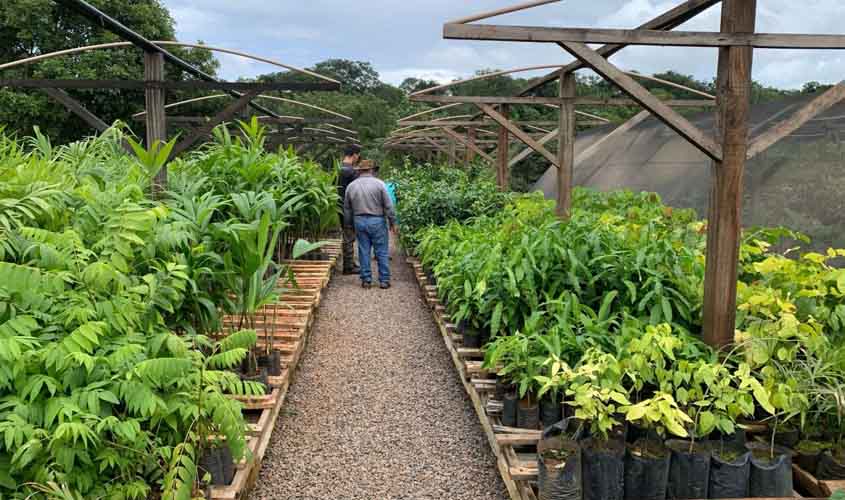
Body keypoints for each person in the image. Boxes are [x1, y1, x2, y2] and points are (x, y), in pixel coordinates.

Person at [343, 160, 396, 289]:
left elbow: (347, 209)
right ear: (371, 170)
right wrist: (393, 222)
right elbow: (388, 205)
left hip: (359, 221)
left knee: (364, 250)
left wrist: (348, 225)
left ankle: (366, 280)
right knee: (382, 251)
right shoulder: (380, 184)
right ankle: (384, 280)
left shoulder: (351, 186)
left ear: (359, 171)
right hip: (377, 220)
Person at [338, 145, 361, 275]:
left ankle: (350, 263)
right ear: (354, 155)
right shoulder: (351, 171)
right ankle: (348, 266)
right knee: (349, 236)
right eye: (358, 155)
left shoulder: (339, 169)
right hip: (348, 208)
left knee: (347, 234)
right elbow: (356, 193)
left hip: (340, 207)